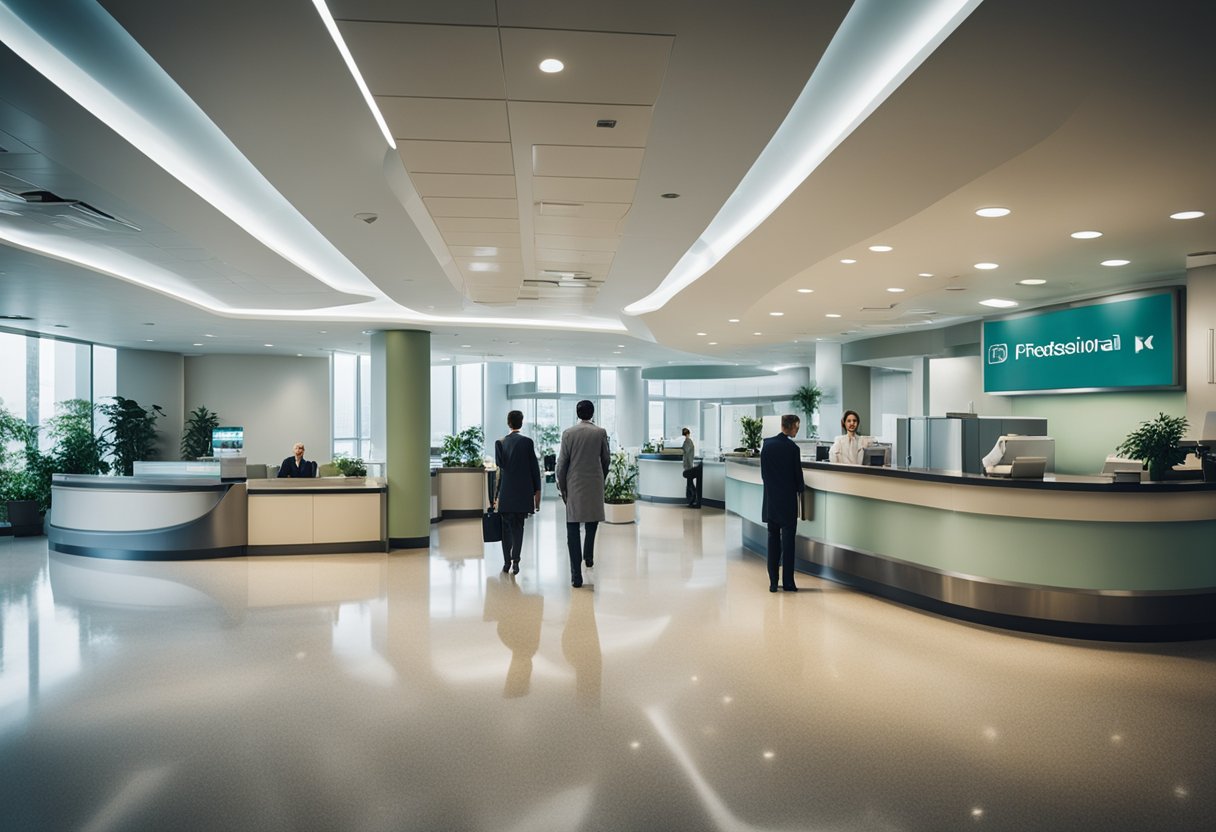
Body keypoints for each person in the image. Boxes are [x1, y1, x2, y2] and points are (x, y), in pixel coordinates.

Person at [555, 400, 610, 588]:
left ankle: (576, 575)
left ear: (577, 414)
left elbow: (562, 464)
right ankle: (589, 557)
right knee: (592, 522)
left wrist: (563, 487)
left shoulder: (568, 433)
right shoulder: (600, 432)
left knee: (572, 527)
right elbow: (606, 460)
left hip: (574, 483)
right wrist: (600, 477)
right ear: (592, 413)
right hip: (594, 482)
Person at [492, 410, 541, 575]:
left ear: (508, 422)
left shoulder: (500, 443)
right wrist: (537, 491)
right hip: (522, 493)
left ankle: (506, 562)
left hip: (506, 492)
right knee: (518, 527)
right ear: (521, 422)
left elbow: (500, 471)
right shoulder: (527, 442)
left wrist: (495, 496)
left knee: (505, 528)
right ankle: (516, 562)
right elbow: (534, 468)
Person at [761, 414, 804, 592]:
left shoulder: (767, 444)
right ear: (792, 426)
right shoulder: (793, 448)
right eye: (797, 427)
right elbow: (798, 478)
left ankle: (772, 582)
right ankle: (788, 582)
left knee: (772, 540)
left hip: (771, 500)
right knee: (788, 543)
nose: (797, 430)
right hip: (787, 502)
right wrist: (801, 489)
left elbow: (764, 474)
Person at [681, 427, 703, 508]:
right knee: (689, 482)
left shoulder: (688, 441)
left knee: (689, 482)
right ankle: (692, 498)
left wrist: (680, 449)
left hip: (688, 465)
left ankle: (693, 497)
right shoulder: (688, 441)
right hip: (689, 464)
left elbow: (685, 451)